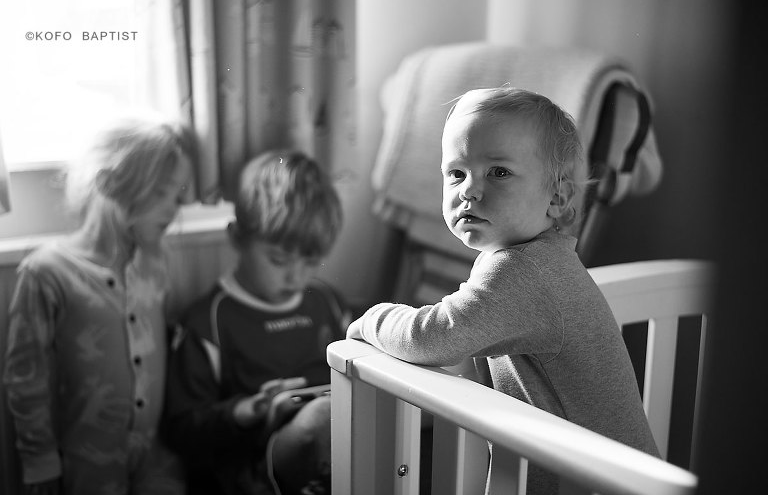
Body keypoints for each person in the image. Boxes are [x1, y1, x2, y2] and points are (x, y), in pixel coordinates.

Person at [346, 87, 659, 494]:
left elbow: (434, 336)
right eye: (456, 173)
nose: (470, 190)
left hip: (599, 483)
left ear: (557, 197)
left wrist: (374, 318)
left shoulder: (523, 272)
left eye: (498, 172)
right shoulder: (544, 259)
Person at [3, 115, 197, 495]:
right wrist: (39, 465)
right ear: (111, 183)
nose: (175, 208)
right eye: (163, 193)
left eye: (179, 195)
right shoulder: (47, 273)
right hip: (85, 460)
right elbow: (26, 379)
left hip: (154, 454)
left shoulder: (155, 262)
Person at [164, 150, 348, 495]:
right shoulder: (208, 321)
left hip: (336, 441)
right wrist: (242, 411)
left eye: (311, 262)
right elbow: (181, 429)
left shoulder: (327, 301)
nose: (296, 277)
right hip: (254, 462)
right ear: (237, 237)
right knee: (322, 419)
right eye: (278, 260)